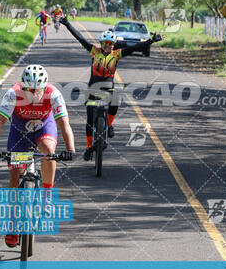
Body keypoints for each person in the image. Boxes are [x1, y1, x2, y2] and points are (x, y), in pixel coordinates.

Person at [0, 64, 75, 247]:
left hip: (44, 127)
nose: (34, 94)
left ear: (44, 87)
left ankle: (47, 195)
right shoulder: (13, 93)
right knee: (14, 176)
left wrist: (70, 149)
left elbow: (64, 125)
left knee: (48, 152)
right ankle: (12, 224)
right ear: (23, 86)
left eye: (38, 90)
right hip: (19, 132)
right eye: (29, 90)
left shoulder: (53, 94)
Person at [60, 16, 163, 161]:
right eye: (106, 44)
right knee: (90, 120)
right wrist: (67, 24)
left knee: (116, 100)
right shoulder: (94, 51)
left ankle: (109, 125)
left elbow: (135, 47)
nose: (109, 46)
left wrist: (151, 40)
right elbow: (80, 38)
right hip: (93, 89)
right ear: (102, 44)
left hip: (108, 90)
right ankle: (89, 148)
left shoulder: (117, 54)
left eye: (111, 44)